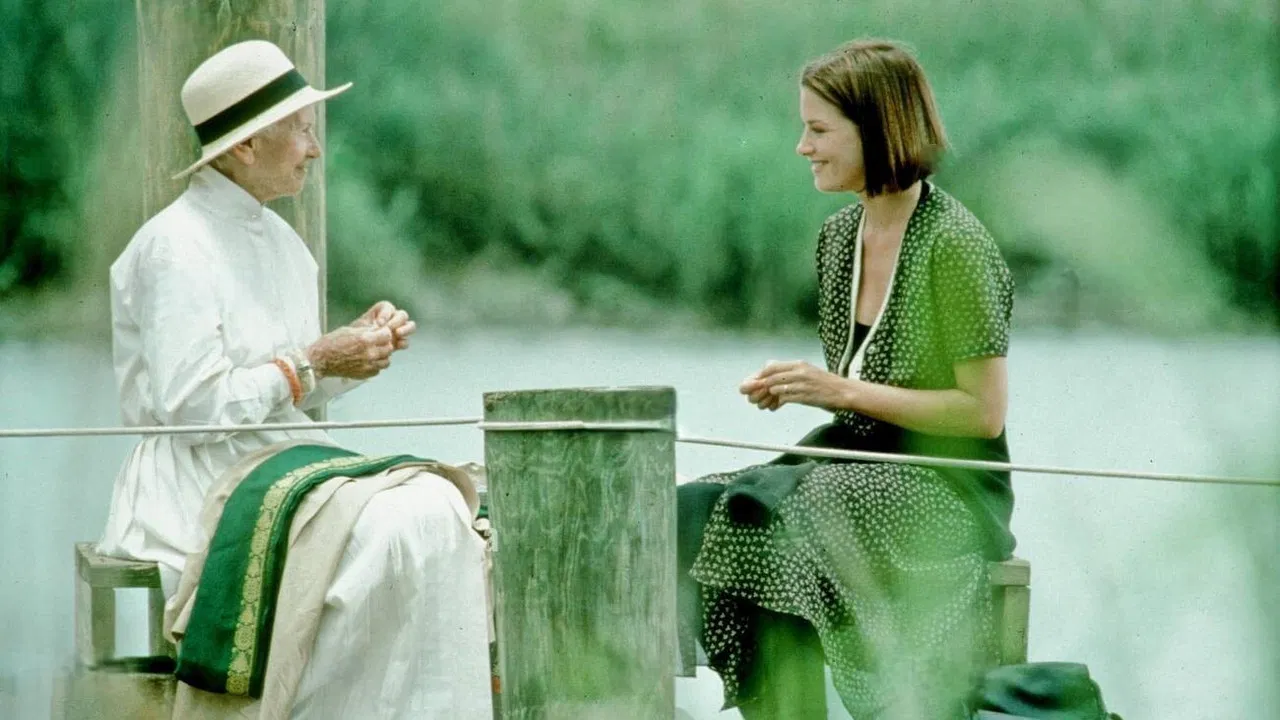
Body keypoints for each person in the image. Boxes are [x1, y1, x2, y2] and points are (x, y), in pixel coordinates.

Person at [97, 40, 492, 718]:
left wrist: (355, 355)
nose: (315, 149)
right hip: (198, 478)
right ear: (247, 146)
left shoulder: (286, 244)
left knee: (438, 508)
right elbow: (194, 412)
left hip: (282, 458)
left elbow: (295, 393)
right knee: (392, 527)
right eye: (303, 130)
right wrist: (316, 360)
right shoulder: (173, 246)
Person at [677, 39, 1016, 720]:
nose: (803, 146)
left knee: (790, 513)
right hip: (852, 465)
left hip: (947, 488)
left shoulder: (956, 246)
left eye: (819, 130)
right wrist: (806, 389)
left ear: (879, 130)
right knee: (696, 506)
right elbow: (859, 387)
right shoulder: (837, 238)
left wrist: (834, 390)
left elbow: (983, 414)